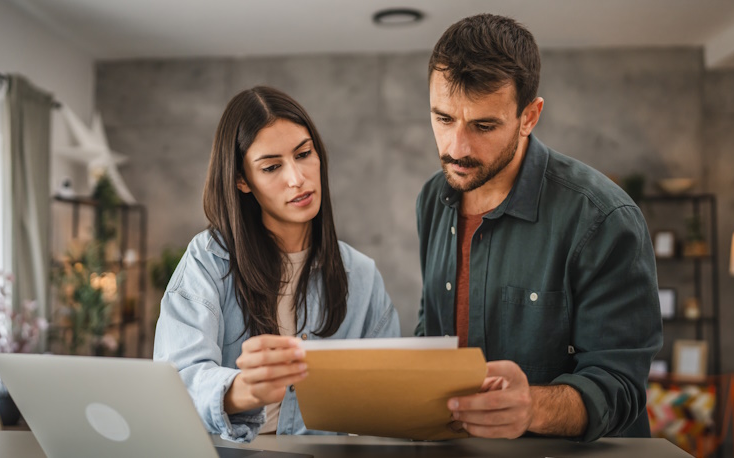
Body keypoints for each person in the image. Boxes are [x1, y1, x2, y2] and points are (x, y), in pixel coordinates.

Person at [415, 14, 662, 441]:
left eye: (484, 125)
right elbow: (432, 328)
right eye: (443, 119)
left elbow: (620, 386)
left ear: (529, 116)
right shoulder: (433, 199)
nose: (456, 148)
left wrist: (531, 408)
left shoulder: (603, 218)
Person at [154, 86, 400, 443]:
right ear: (242, 180)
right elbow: (176, 380)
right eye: (271, 167)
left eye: (304, 154)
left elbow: (388, 395)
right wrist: (243, 390)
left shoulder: (360, 274)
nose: (296, 178)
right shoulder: (208, 259)